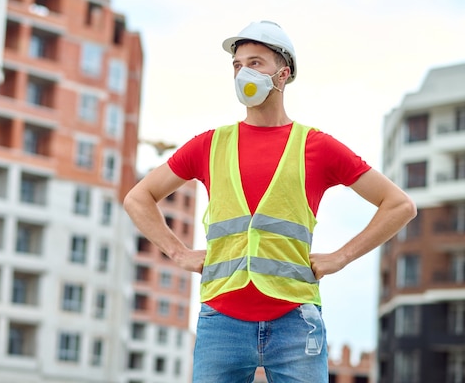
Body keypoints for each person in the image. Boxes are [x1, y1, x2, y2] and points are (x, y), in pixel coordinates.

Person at [123, 20, 416, 383]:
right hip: (221, 321)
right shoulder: (210, 145)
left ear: (283, 74)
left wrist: (340, 257)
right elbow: (139, 198)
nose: (243, 71)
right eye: (237, 64)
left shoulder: (317, 147)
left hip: (296, 322)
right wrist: (178, 252)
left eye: (256, 62)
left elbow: (399, 204)